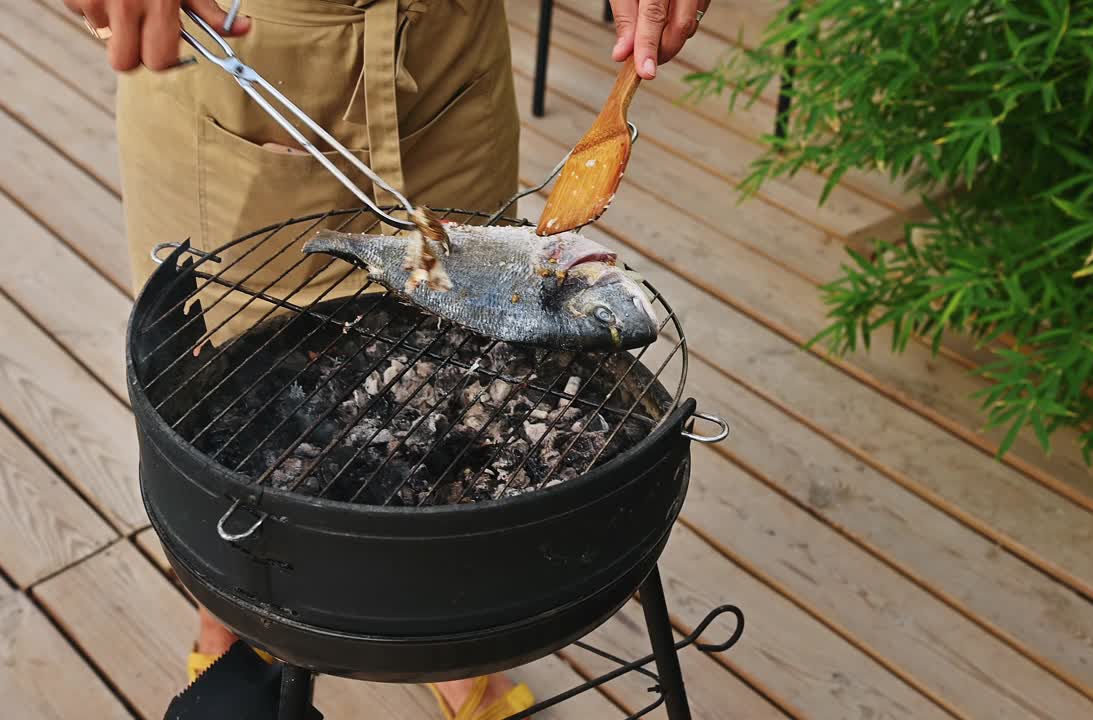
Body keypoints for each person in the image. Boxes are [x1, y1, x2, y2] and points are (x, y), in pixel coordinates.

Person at [61, 0, 707, 717]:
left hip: (446, 55)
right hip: (247, 52)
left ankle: (456, 642)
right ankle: (232, 626)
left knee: (466, 368)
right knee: (238, 407)